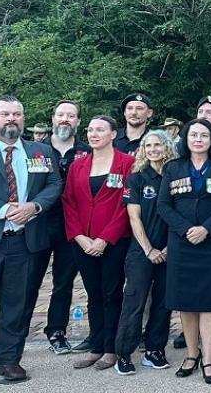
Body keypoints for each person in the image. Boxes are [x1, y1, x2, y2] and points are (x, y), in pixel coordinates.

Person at [157, 119, 211, 384]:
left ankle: (210, 359)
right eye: (194, 134)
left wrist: (206, 228)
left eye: (204, 135)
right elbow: (164, 205)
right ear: (185, 138)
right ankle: (192, 354)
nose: (199, 139)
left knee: (209, 301)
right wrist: (185, 229)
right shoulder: (173, 168)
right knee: (186, 302)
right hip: (181, 243)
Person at [0, 94, 63, 382]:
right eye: (5, 114)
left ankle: (9, 360)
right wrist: (3, 209)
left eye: (17, 114)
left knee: (16, 304)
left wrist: (35, 207)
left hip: (23, 242)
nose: (11, 119)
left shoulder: (39, 152)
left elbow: (55, 183)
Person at [63, 115, 135, 371]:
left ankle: (111, 348)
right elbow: (68, 203)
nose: (94, 134)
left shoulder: (127, 163)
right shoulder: (78, 166)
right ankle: (95, 346)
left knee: (111, 293)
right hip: (82, 241)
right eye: (91, 130)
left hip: (113, 241)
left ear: (114, 134)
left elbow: (125, 205)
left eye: (100, 130)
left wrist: (104, 239)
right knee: (93, 294)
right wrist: (81, 238)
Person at [27, 100, 91, 355]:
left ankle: (56, 332)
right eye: (61, 114)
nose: (65, 119)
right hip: (39, 223)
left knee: (63, 282)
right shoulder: (34, 149)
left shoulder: (87, 151)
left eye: (71, 115)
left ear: (78, 121)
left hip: (72, 225)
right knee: (29, 281)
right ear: (53, 118)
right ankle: (16, 334)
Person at [114, 130, 176, 375]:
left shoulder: (175, 176)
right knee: (134, 302)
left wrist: (169, 248)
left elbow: (180, 215)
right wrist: (149, 249)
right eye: (147, 145)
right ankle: (124, 353)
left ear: (167, 147)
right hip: (142, 251)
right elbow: (133, 217)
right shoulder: (137, 177)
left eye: (157, 145)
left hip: (171, 250)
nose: (152, 149)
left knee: (163, 302)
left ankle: (155, 350)